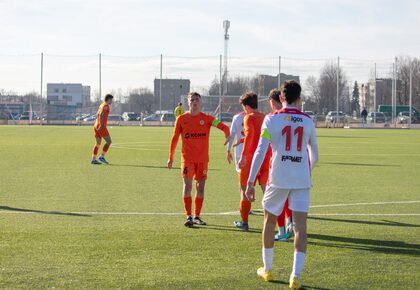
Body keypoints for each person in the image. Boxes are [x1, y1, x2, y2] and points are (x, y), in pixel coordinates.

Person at [245, 80, 318, 289]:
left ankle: (267, 270)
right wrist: (305, 169)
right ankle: (295, 276)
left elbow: (260, 151)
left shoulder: (271, 119)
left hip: (277, 177)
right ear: (299, 98)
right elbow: (316, 154)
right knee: (300, 227)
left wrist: (250, 182)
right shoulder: (308, 121)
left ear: (281, 98)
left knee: (269, 221)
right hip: (301, 179)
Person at [168, 92, 230, 227]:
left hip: (202, 160)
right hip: (187, 159)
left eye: (197, 100)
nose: (194, 102)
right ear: (188, 102)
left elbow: (224, 127)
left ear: (200, 103)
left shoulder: (207, 118)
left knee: (200, 187)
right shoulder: (181, 119)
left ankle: (197, 216)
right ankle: (188, 216)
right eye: (192, 100)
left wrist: (227, 135)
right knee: (187, 185)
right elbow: (174, 138)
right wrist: (171, 157)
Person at [232, 92, 270, 231]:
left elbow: (250, 137)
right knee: (267, 191)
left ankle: (244, 222)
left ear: (247, 105)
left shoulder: (248, 118)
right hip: (265, 158)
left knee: (244, 190)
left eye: (243, 106)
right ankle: (272, 223)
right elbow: (262, 136)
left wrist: (243, 156)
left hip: (251, 160)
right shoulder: (265, 117)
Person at [267, 89, 293, 242]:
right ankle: (290, 223)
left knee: (276, 200)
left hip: (276, 164)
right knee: (289, 196)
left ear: (272, 102)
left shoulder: (272, 118)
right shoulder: (294, 117)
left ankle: (282, 231)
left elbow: (264, 143)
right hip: (293, 163)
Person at [91, 94, 114, 165]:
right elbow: (101, 114)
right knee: (109, 142)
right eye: (111, 99)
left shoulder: (101, 105)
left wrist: (98, 123)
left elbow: (97, 114)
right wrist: (101, 124)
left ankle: (93, 159)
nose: (112, 101)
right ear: (109, 99)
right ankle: (102, 156)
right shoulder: (106, 106)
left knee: (97, 143)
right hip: (101, 126)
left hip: (96, 125)